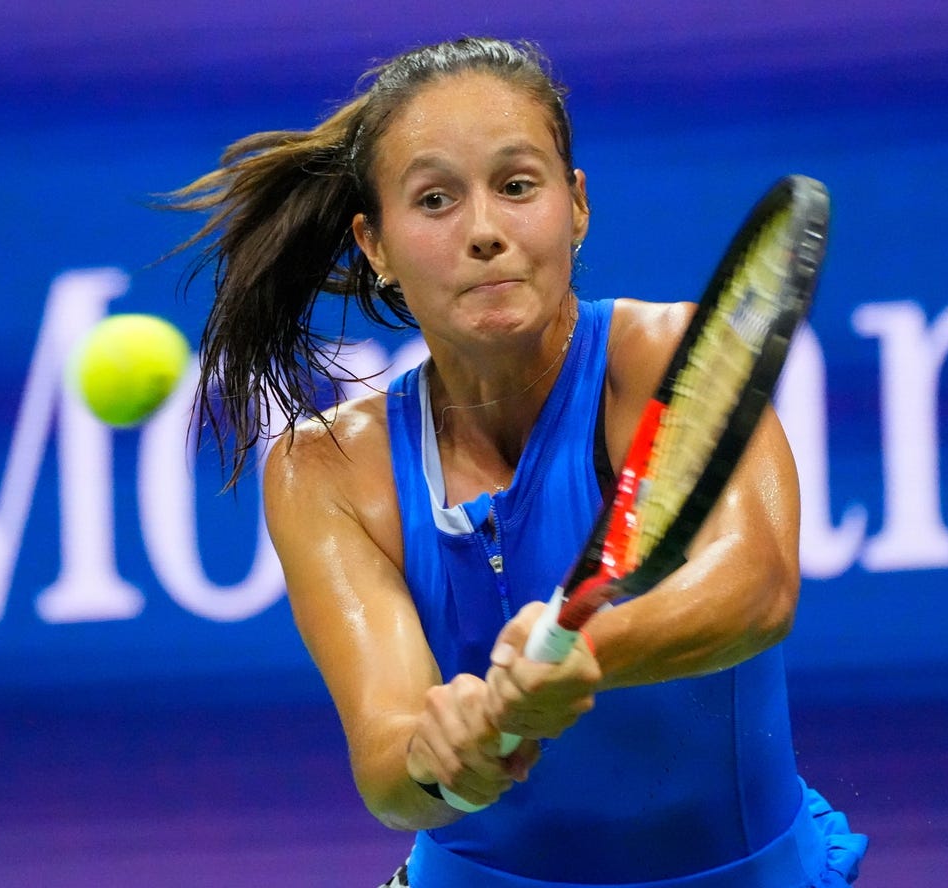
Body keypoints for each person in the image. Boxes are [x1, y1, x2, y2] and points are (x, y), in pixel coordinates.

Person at [170, 36, 867, 888]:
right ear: (375, 244)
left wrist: (578, 653)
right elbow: (389, 764)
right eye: (434, 200)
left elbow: (756, 587)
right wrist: (445, 754)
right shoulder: (325, 471)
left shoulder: (669, 361)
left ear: (575, 204)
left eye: (517, 185)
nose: (485, 232)